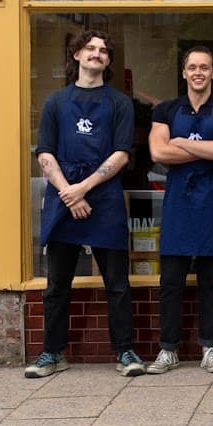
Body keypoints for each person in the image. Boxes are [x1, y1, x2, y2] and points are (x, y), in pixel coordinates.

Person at [27, 30, 145, 378]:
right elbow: (44, 153)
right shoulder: (55, 102)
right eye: (90, 48)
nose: (97, 53)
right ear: (76, 55)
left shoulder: (120, 103)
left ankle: (125, 351)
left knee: (117, 283)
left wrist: (83, 189)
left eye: (103, 50)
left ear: (108, 61)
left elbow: (121, 154)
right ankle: (52, 353)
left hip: (104, 197)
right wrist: (69, 192)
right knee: (57, 285)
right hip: (63, 196)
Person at [146, 46, 213, 375]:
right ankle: (168, 349)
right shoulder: (166, 110)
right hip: (178, 203)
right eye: (192, 67)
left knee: (210, 281)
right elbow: (158, 152)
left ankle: (210, 348)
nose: (198, 72)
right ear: (184, 72)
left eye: (204, 67)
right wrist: (206, 148)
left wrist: (181, 142)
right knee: (170, 282)